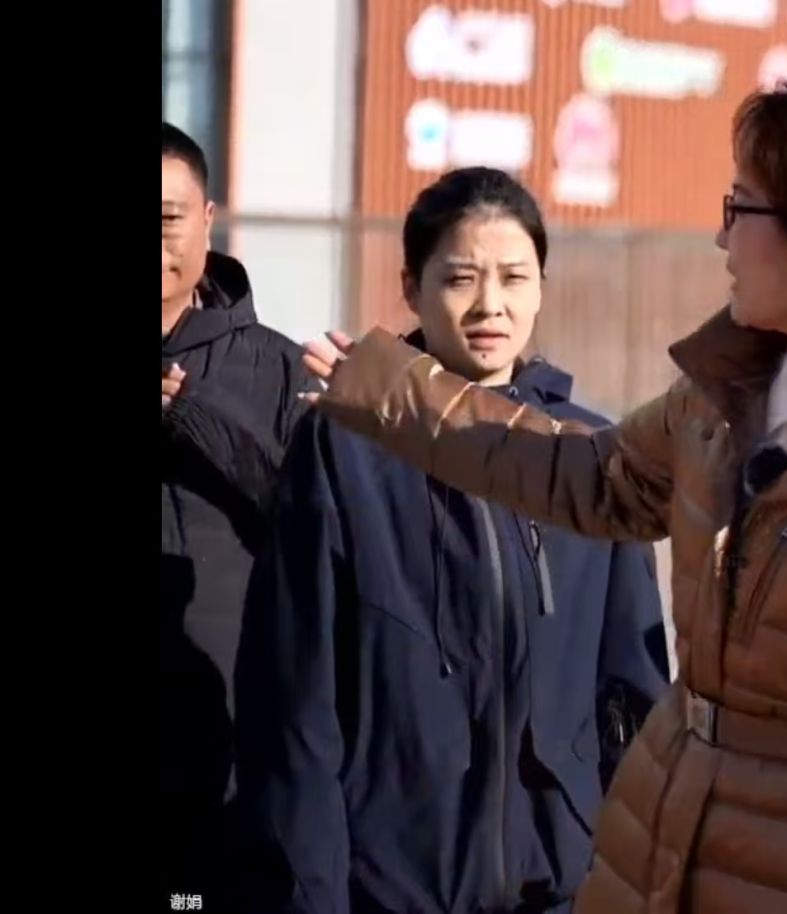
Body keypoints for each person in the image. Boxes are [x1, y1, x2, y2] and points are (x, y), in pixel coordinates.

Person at [297, 71, 787, 913]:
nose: (721, 237)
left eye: (742, 208)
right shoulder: (723, 404)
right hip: (660, 862)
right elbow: (590, 478)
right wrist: (395, 392)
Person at [236, 167, 672, 913]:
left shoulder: (588, 455)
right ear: (411, 287)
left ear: (541, 288)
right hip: (392, 889)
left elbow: (635, 696)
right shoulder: (346, 449)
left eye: (514, 277)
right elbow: (296, 702)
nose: (490, 304)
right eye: (461, 278)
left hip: (563, 887)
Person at [159, 119, 315, 907]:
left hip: (228, 747)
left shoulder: (275, 367)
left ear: (208, 219)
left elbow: (308, 519)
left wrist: (194, 415)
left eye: (167, 219)